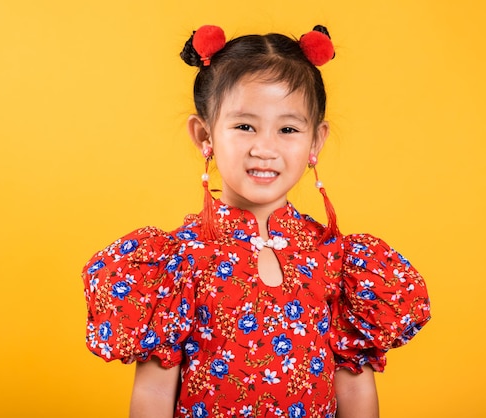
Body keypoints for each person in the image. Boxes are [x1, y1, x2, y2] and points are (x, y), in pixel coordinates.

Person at [82, 24, 430, 418]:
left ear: (315, 141)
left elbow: (353, 386)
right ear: (204, 135)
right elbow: (154, 395)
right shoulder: (178, 260)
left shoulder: (335, 259)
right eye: (244, 126)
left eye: (288, 129)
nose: (265, 148)